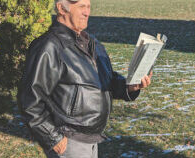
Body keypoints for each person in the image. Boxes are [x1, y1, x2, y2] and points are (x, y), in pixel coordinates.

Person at [18, 0, 152, 157]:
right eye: (81, 6)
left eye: (88, 7)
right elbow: (29, 100)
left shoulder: (91, 43)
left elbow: (106, 81)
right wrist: (52, 138)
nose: (87, 12)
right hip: (69, 141)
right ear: (61, 8)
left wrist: (130, 86)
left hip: (92, 140)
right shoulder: (49, 46)